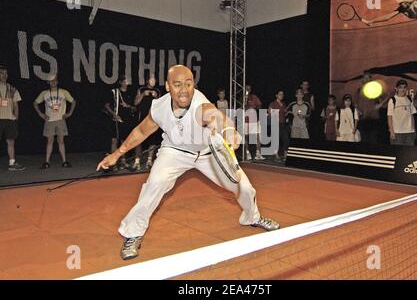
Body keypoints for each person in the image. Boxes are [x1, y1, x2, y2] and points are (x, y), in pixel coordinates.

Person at [97, 65, 280, 260]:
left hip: (208, 153)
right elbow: (141, 131)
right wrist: (117, 154)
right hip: (174, 151)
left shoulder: (200, 105)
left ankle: (253, 217)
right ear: (168, 86)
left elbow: (218, 117)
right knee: (154, 185)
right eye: (177, 85)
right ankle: (133, 233)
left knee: (244, 187)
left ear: (194, 84)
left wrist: (228, 131)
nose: (184, 90)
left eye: (188, 84)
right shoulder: (159, 106)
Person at [33, 75, 76, 168]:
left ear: (57, 81)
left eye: (55, 80)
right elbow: (35, 103)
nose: (53, 82)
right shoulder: (45, 93)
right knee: (49, 141)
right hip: (50, 121)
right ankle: (47, 162)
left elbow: (73, 101)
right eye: (51, 81)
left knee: (61, 141)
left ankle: (64, 161)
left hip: (60, 120)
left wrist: (69, 113)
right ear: (48, 82)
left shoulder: (63, 92)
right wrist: (41, 114)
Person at [104, 76, 139, 170]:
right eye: (126, 80)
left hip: (127, 120)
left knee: (125, 141)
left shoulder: (131, 93)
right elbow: (106, 105)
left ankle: (123, 161)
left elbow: (134, 108)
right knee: (114, 140)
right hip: (117, 120)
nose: (128, 82)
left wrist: (128, 106)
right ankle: (113, 164)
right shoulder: (114, 92)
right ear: (121, 82)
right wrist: (114, 115)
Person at [0, 66, 25, 171]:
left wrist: (16, 118)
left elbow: (16, 105)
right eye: (2, 73)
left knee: (11, 142)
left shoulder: (12, 89)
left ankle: (12, 163)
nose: (4, 75)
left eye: (6, 73)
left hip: (10, 119)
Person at [134, 75, 162, 170]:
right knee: (139, 139)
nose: (153, 80)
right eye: (151, 78)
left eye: (154, 79)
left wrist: (156, 97)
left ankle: (149, 161)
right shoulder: (141, 89)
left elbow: (161, 105)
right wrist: (143, 94)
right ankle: (137, 161)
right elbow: (136, 102)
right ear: (147, 80)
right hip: (142, 118)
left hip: (153, 119)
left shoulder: (157, 91)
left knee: (152, 140)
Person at [387, 80, 417, 146]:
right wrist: (392, 132)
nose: (402, 89)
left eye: (404, 87)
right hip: (397, 132)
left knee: (409, 153)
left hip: (409, 132)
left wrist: (413, 129)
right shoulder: (392, 100)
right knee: (398, 153)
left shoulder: (409, 99)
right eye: (400, 87)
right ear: (396, 89)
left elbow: (412, 115)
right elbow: (389, 117)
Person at [244, 85, 265, 160]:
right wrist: (247, 106)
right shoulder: (241, 98)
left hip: (254, 120)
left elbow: (260, 105)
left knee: (258, 137)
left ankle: (258, 154)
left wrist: (255, 108)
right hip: (245, 120)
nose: (248, 90)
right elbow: (241, 107)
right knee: (246, 137)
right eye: (246, 88)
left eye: (249, 88)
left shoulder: (254, 97)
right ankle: (247, 153)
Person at [268, 90, 289, 161]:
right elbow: (269, 113)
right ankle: (276, 155)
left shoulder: (283, 104)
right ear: (276, 95)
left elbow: (285, 113)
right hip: (275, 124)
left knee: (286, 139)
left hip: (283, 124)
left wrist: (287, 113)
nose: (281, 95)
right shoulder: (273, 104)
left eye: (282, 94)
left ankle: (285, 155)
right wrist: (273, 113)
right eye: (280, 94)